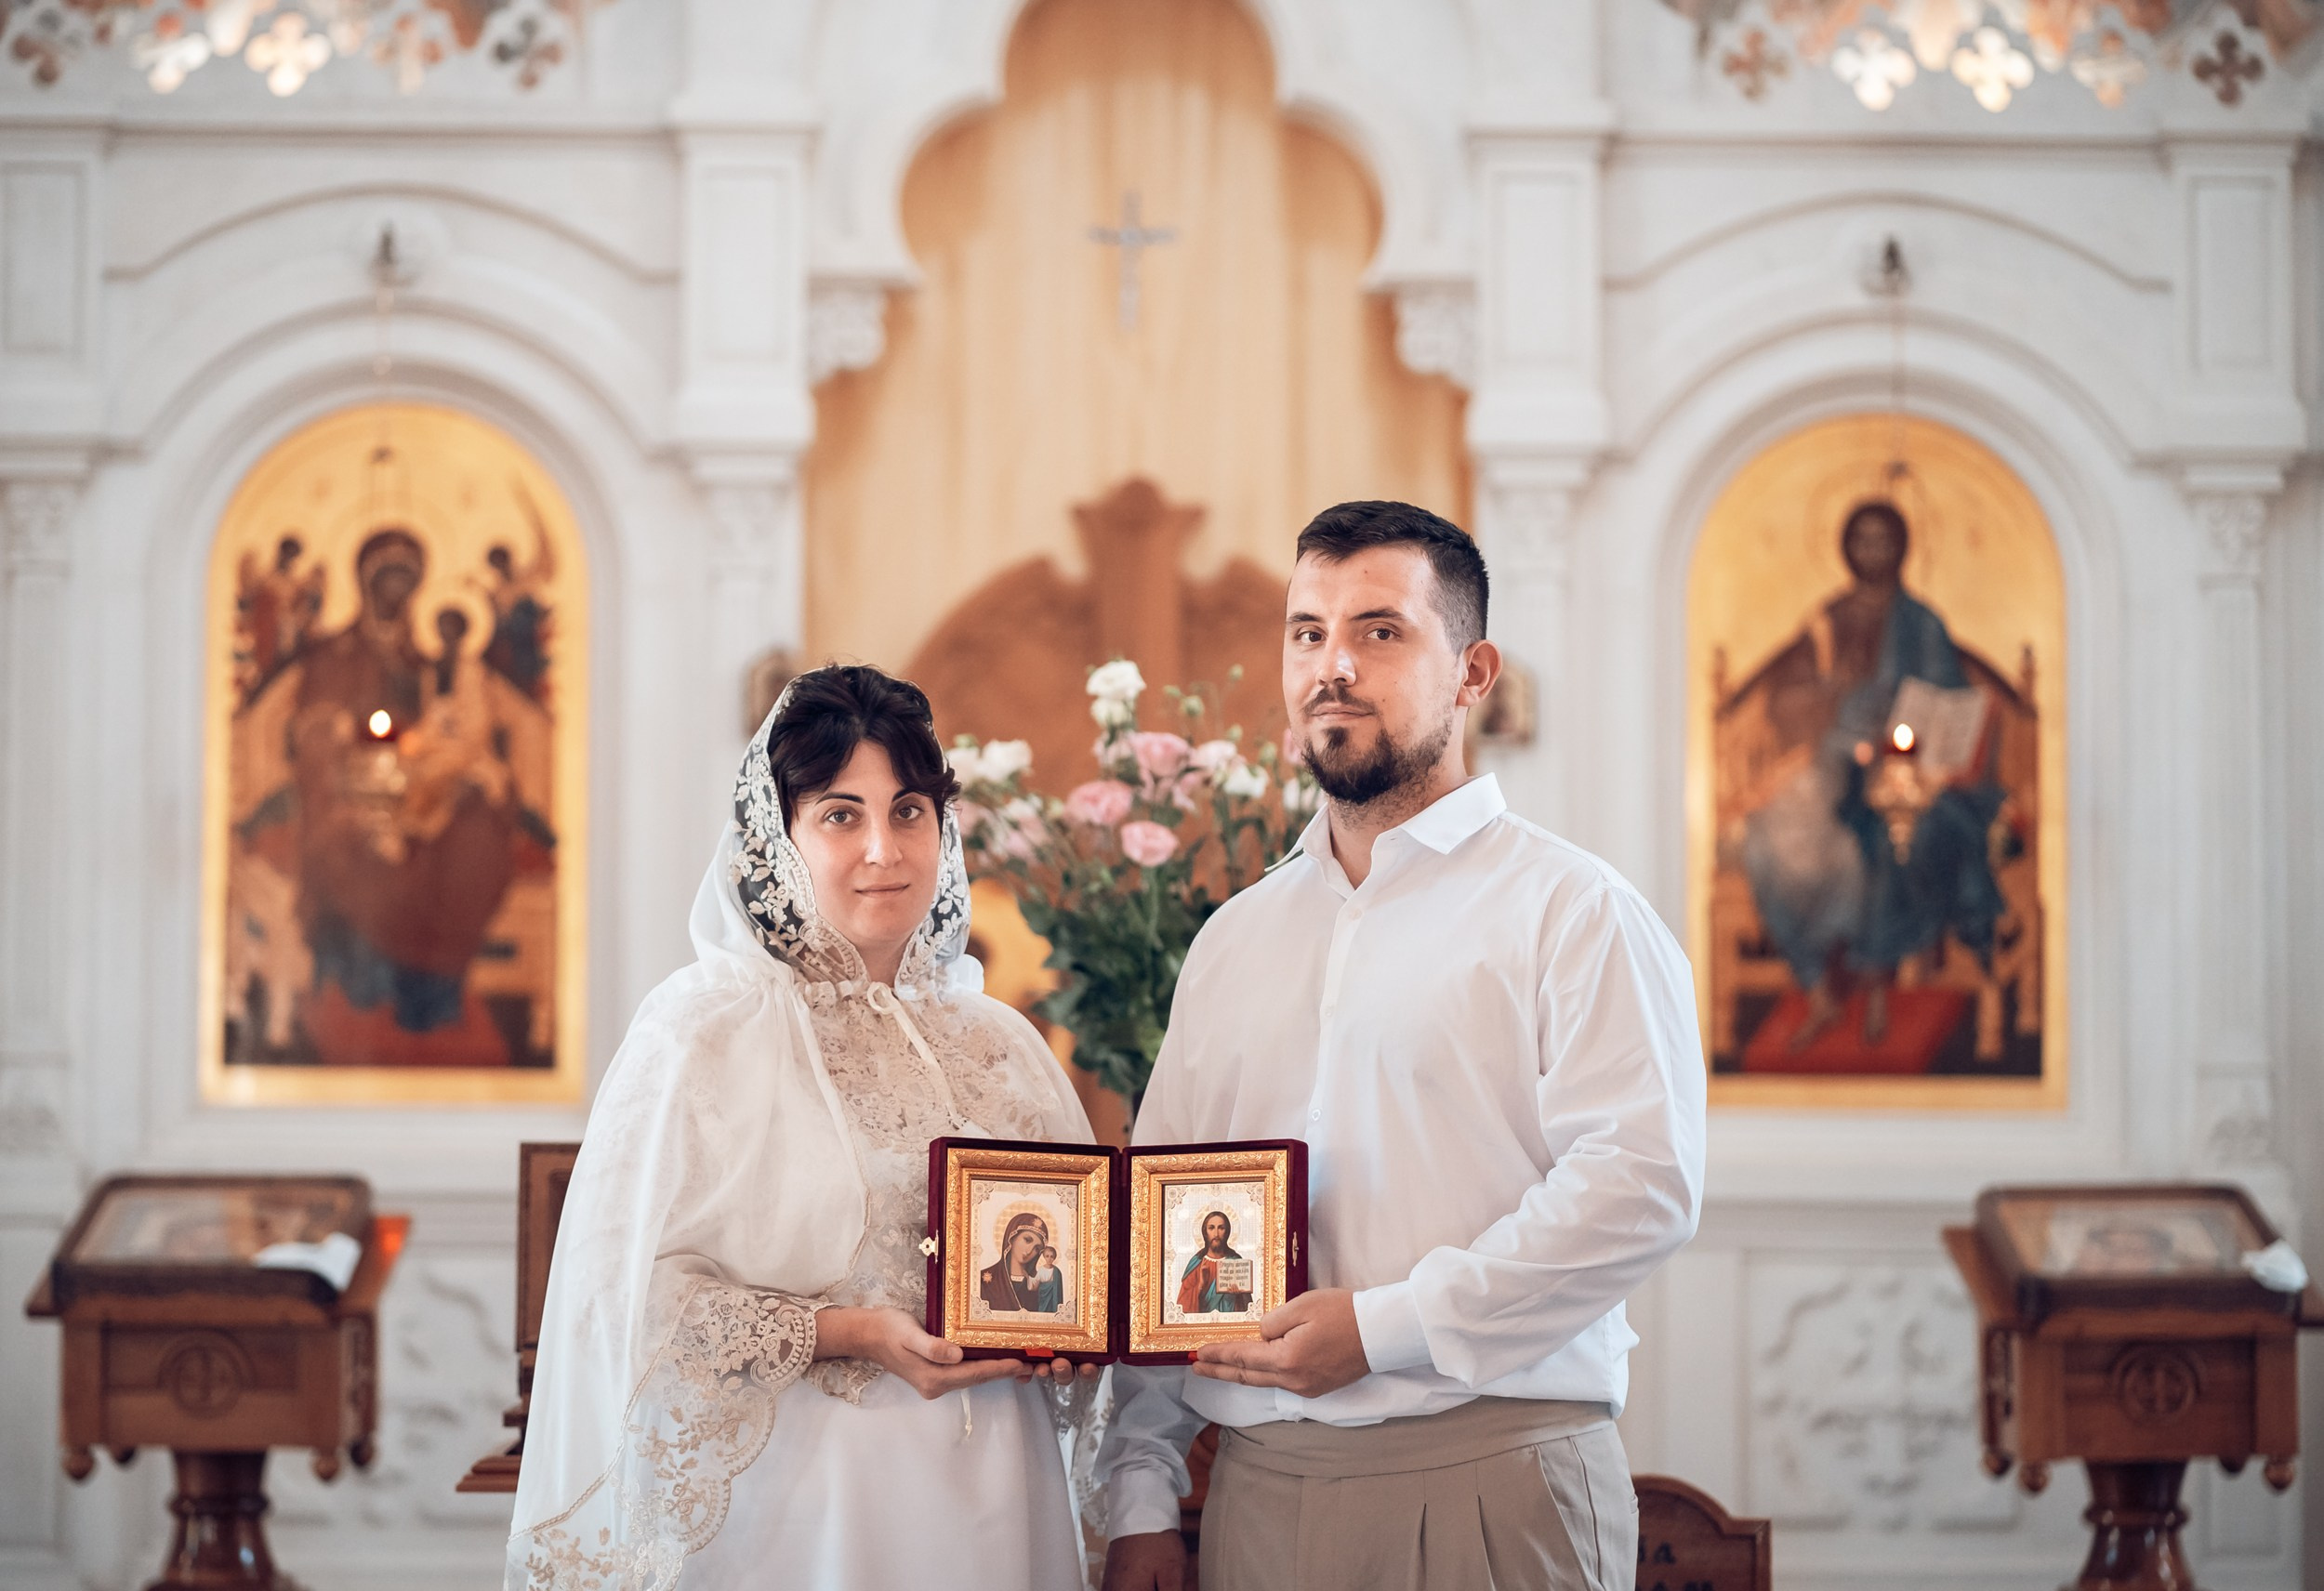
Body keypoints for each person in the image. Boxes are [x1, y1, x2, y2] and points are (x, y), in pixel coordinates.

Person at [1097, 501, 1708, 1591]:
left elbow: (1641, 1186)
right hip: (1258, 1490)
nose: (1331, 665)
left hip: (1490, 1478)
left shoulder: (1574, 910)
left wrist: (1384, 1327)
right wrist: (1140, 1489)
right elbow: (1163, 1216)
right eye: (1306, 632)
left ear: (1473, 672)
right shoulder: (1232, 938)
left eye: (1380, 630)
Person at [510, 664, 1097, 1590]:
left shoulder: (1003, 1045)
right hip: (801, 1505)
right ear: (777, 837)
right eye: (839, 814)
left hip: (995, 1494)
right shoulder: (700, 1033)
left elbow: (1083, 1267)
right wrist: (850, 1330)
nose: (883, 849)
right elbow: (620, 1303)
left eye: (908, 810)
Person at [1736, 499, 2005, 1047]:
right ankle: (1817, 984)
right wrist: (1831, 698)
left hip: (1912, 777)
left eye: (1884, 540)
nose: (1873, 551)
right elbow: (1782, 701)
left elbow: (1950, 704)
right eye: (1862, 539)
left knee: (1900, 836)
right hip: (1838, 766)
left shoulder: (1922, 625)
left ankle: (1877, 983)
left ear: (1903, 548)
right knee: (1764, 841)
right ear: (1845, 548)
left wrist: (1907, 728)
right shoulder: (1827, 621)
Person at [980, 1211, 1064, 1313]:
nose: (1029, 1251)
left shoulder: (1040, 1285)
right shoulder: (984, 1280)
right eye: (1027, 1240)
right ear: (1012, 1238)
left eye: (1037, 1249)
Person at [1176, 1211, 1250, 1314]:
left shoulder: (1236, 1262)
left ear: (1227, 1231)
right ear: (1205, 1232)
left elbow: (1249, 1309)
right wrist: (1200, 1285)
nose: (1216, 1234)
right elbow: (1183, 1307)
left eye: (1221, 1228)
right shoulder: (1196, 1263)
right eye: (1211, 1228)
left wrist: (1239, 1294)